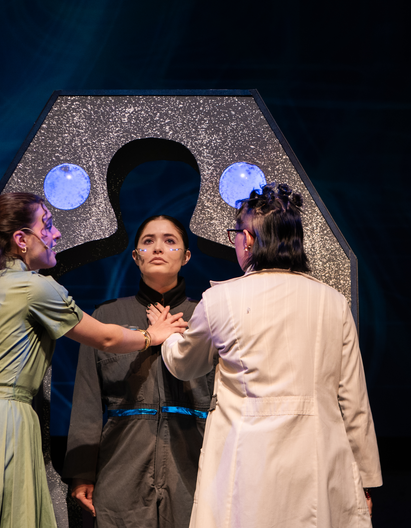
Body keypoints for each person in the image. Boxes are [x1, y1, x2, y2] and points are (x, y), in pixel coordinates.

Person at [0, 193, 187, 528]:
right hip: (5, 424)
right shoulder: (35, 287)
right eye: (47, 225)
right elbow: (105, 337)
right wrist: (151, 336)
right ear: (21, 239)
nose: (56, 234)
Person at [159, 183, 382, 528]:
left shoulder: (221, 300)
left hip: (249, 467)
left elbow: (185, 364)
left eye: (235, 233)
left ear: (247, 239)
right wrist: (365, 479)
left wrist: (167, 336)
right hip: (319, 463)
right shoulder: (333, 303)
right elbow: (354, 401)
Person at [63, 215, 213, 528]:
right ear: (136, 256)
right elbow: (88, 400)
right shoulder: (107, 318)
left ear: (186, 257)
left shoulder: (206, 317)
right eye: (148, 242)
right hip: (123, 464)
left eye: (170, 241)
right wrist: (82, 472)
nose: (158, 248)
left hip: (194, 465)